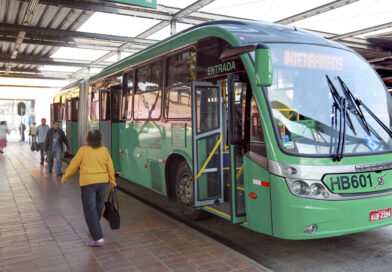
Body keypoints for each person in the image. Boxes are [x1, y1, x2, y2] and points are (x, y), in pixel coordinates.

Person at [62, 130, 116, 247]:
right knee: (98, 207)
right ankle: (94, 229)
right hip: (102, 183)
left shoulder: (83, 150)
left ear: (88, 139)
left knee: (89, 210)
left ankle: (98, 238)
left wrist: (65, 176)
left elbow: (74, 165)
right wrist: (112, 181)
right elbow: (110, 166)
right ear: (100, 139)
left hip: (88, 184)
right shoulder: (104, 150)